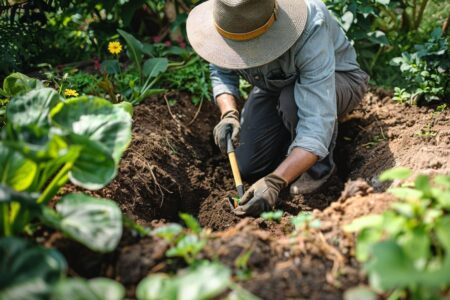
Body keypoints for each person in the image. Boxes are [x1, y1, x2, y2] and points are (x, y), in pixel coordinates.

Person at [186, 0, 369, 217]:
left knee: (291, 101)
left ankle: (319, 170)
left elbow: (315, 126)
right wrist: (229, 113)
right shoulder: (228, 18)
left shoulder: (310, 25)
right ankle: (291, 145)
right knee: (248, 166)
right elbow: (221, 71)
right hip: (276, 84)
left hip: (337, 81)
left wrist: (275, 181)